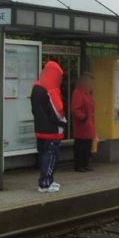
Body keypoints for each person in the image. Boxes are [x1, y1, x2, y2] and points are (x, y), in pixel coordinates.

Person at [30, 60, 67, 192]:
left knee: (44, 155)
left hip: (40, 129)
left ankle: (48, 180)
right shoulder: (48, 89)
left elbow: (35, 110)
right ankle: (45, 183)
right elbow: (57, 110)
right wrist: (62, 122)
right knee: (51, 156)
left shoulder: (36, 88)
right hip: (51, 130)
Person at [71, 72, 96, 172]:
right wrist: (83, 117)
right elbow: (75, 109)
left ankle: (85, 164)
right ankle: (79, 165)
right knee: (81, 145)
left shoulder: (88, 93)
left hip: (88, 124)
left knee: (87, 145)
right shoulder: (78, 92)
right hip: (82, 124)